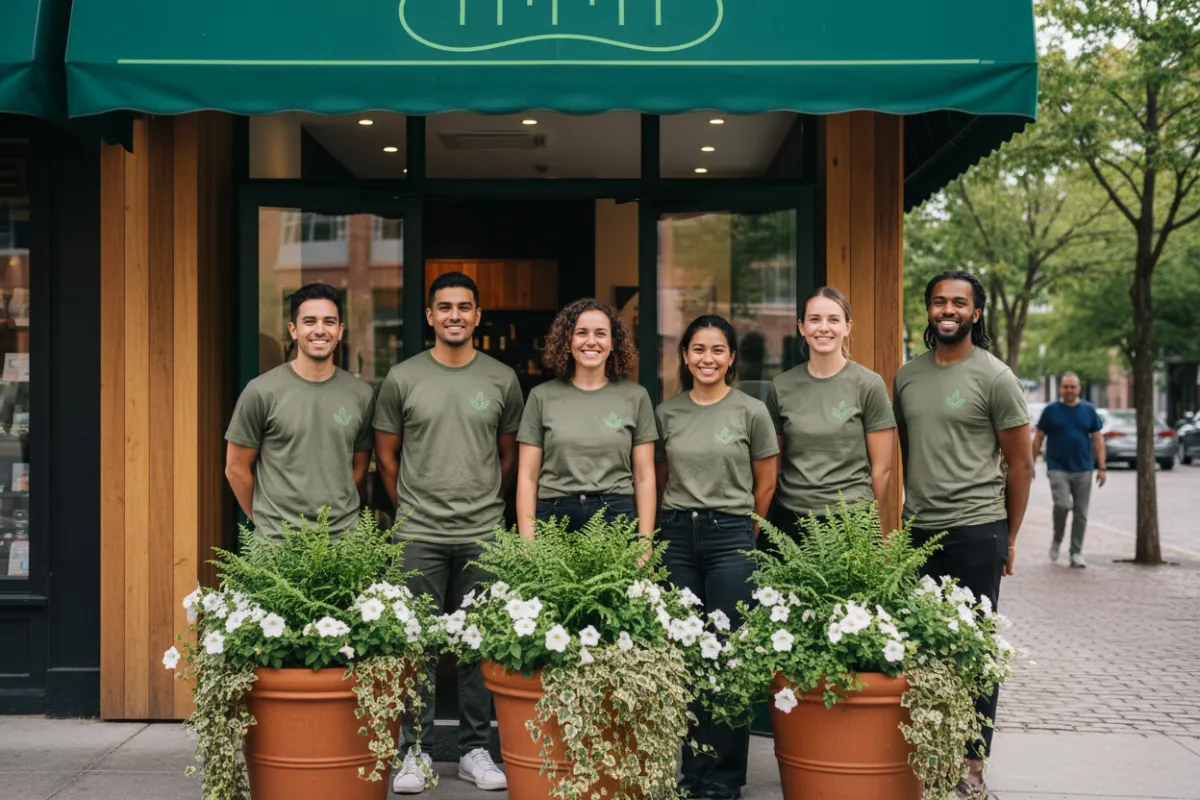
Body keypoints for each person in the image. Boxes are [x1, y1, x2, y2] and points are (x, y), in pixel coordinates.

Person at [373, 272, 523, 794]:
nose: (455, 315)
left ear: (478, 316)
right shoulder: (402, 378)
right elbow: (386, 457)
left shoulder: (502, 378)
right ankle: (413, 751)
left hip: (483, 529)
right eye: (445, 307)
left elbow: (509, 456)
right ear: (430, 316)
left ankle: (474, 749)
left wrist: (484, 500)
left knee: (478, 642)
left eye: (464, 307)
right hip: (418, 533)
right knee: (417, 642)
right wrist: (410, 507)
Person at [893, 270, 1034, 800]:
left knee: (974, 650)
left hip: (978, 530)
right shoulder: (906, 377)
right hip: (919, 531)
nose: (947, 309)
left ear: (976, 313)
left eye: (959, 303)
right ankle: (931, 750)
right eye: (938, 301)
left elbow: (1021, 466)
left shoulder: (996, 377)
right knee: (920, 649)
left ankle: (972, 764)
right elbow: (906, 453)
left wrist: (1010, 538)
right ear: (928, 310)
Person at [655, 315, 778, 800]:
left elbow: (765, 483)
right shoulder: (667, 414)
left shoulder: (751, 412)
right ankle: (691, 771)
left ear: (731, 358)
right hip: (679, 537)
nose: (707, 358)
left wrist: (743, 528)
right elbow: (662, 477)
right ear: (685, 356)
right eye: (698, 349)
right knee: (685, 653)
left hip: (731, 536)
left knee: (728, 655)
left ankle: (724, 776)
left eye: (717, 350)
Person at [224, 283, 374, 538]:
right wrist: (266, 522)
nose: (319, 330)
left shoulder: (360, 394)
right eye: (309, 321)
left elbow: (358, 467)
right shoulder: (261, 391)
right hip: (278, 545)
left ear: (339, 331)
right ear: (293, 330)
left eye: (329, 322)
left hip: (342, 543)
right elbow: (236, 469)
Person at [515, 298, 657, 537]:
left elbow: (645, 477)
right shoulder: (541, 397)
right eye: (581, 333)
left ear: (613, 343)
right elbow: (527, 477)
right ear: (567, 341)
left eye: (600, 334)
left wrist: (645, 542)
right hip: (554, 515)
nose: (591, 341)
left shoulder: (636, 397)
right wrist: (527, 544)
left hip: (616, 515)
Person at [765, 287, 896, 537]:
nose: (823, 327)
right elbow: (774, 466)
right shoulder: (781, 386)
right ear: (802, 328)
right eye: (815, 319)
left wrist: (867, 520)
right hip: (792, 519)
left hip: (852, 520)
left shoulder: (868, 384)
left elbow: (882, 469)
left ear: (848, 327)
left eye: (833, 320)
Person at [1032, 372, 1105, 568]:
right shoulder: (1051, 410)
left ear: (1078, 388)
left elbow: (1098, 439)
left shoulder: (1089, 410)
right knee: (1062, 505)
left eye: (1073, 387)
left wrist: (1102, 467)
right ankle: (1057, 539)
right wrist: (1030, 463)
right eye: (1066, 387)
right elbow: (1038, 437)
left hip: (1083, 468)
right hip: (1057, 467)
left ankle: (1076, 552)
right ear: (1060, 389)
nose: (1069, 390)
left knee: (1081, 512)